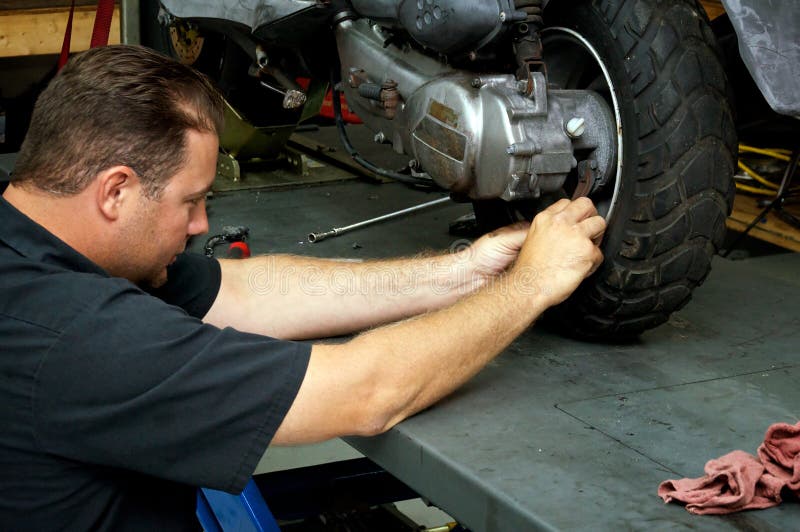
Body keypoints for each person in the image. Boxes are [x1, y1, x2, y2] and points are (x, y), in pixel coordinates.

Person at [0, 45, 605, 530]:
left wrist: (465, 272)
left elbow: (245, 291)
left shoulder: (37, 242)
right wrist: (530, 286)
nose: (201, 225)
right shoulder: (73, 336)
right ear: (115, 191)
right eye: (191, 200)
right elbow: (367, 393)